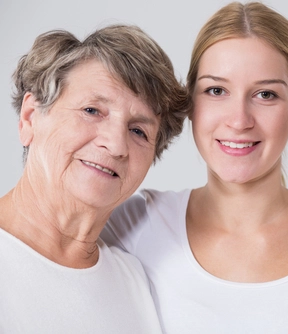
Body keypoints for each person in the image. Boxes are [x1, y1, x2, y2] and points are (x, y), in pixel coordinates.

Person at [101, 2, 288, 332]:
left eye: (265, 94)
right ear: (191, 102)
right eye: (216, 90)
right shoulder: (131, 224)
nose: (239, 120)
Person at [0, 24, 188, 332]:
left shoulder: (137, 284)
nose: (115, 145)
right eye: (92, 110)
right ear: (30, 117)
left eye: (139, 131)